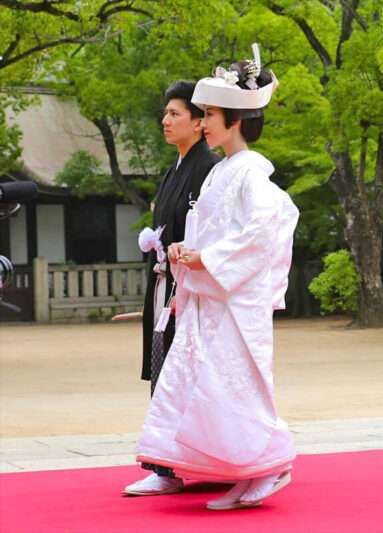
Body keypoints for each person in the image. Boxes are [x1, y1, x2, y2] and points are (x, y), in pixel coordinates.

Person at [127, 45, 300, 509]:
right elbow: (212, 230)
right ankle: (242, 472)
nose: (204, 123)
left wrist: (209, 257)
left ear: (236, 121)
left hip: (235, 298)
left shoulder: (249, 173)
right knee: (215, 387)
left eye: (210, 115)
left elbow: (264, 229)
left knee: (239, 385)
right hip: (214, 296)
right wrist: (187, 250)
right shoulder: (223, 171)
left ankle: (270, 465)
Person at [124, 81, 221, 497]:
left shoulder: (208, 168)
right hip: (166, 286)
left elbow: (210, 236)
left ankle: (198, 463)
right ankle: (166, 466)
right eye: (165, 114)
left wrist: (189, 287)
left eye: (175, 114)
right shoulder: (175, 168)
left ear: (200, 122)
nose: (165, 121)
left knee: (194, 377)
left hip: (190, 288)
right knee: (166, 372)